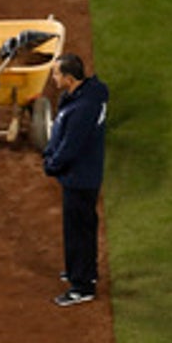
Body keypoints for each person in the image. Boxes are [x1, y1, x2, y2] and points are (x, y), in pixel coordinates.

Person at [43, 53, 108, 307]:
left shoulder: (83, 109)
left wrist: (52, 164)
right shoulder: (87, 94)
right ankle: (80, 271)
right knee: (81, 227)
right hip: (82, 175)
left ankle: (82, 286)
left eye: (57, 74)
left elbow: (71, 146)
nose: (53, 78)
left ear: (69, 78)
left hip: (80, 179)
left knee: (78, 231)